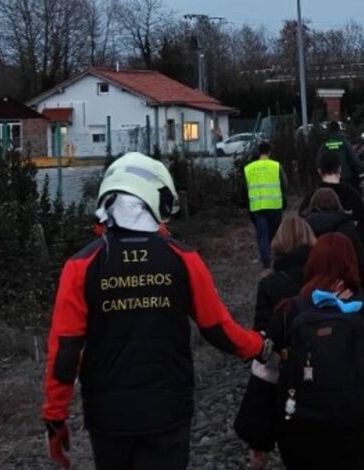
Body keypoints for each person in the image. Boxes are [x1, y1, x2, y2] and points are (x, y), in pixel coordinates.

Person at [42, 152, 269, 470]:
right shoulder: (183, 258)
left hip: (109, 416)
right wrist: (260, 347)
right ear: (156, 200)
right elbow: (217, 329)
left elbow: (65, 351)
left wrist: (55, 415)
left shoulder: (81, 265)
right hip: (168, 410)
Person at [267, 233, 364, 470]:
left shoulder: (287, 311)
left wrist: (258, 440)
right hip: (354, 430)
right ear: (351, 265)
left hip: (299, 430)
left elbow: (266, 375)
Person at [235, 215, 316, 470]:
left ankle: (259, 453)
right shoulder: (321, 280)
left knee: (260, 416)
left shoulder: (270, 283)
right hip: (313, 367)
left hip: (275, 371)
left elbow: (262, 332)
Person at [299, 150, 364, 265]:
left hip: (316, 263)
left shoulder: (311, 197)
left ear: (319, 171)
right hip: (347, 262)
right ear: (340, 169)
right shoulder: (352, 195)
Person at [304, 188, 364, 296]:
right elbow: (360, 260)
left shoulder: (305, 228)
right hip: (343, 288)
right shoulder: (347, 228)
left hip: (313, 287)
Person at [245, 141, 289, 267]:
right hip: (275, 205)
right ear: (269, 152)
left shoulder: (249, 168)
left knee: (262, 234)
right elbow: (285, 185)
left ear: (258, 153)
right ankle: (276, 256)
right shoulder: (276, 166)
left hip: (257, 207)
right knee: (273, 233)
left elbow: (245, 188)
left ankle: (266, 260)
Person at [317, 121, 363, 190]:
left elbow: (318, 162)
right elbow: (354, 160)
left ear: (329, 131)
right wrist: (360, 173)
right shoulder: (344, 143)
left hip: (329, 179)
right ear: (339, 130)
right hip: (345, 178)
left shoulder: (325, 145)